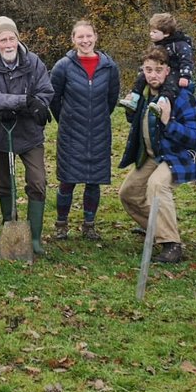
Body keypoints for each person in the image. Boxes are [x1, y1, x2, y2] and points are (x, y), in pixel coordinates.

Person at [117, 47, 196, 263]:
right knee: (128, 193)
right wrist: (131, 112)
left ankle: (172, 245)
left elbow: (194, 137)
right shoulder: (144, 94)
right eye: (148, 69)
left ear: (168, 71)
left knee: (157, 185)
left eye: (158, 70)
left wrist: (169, 122)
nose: (153, 75)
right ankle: (157, 230)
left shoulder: (184, 97)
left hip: (181, 155)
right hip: (152, 154)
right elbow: (141, 123)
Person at [0, 16, 54, 253]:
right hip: (0, 132)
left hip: (29, 133)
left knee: (37, 180)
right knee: (3, 183)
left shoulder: (33, 62)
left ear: (18, 39)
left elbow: (44, 92)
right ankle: (9, 229)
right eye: (3, 39)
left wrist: (35, 104)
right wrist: (24, 101)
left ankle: (34, 238)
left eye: (11, 38)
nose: (8, 44)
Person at [48, 20, 120, 240]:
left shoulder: (109, 67)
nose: (85, 41)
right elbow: (54, 99)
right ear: (73, 39)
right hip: (71, 133)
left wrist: (95, 119)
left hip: (99, 131)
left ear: (95, 37)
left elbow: (111, 99)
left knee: (93, 180)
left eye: (89, 36)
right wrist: (68, 120)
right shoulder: (63, 66)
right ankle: (61, 224)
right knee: (67, 180)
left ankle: (89, 224)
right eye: (80, 37)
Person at [119, 12, 196, 111]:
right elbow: (150, 60)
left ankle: (162, 102)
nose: (151, 34)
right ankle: (134, 98)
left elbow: (187, 60)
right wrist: (143, 71)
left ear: (166, 33)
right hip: (161, 70)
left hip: (175, 71)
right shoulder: (158, 45)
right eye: (151, 31)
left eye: (154, 32)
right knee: (141, 77)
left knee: (170, 84)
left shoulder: (180, 44)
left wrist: (185, 76)